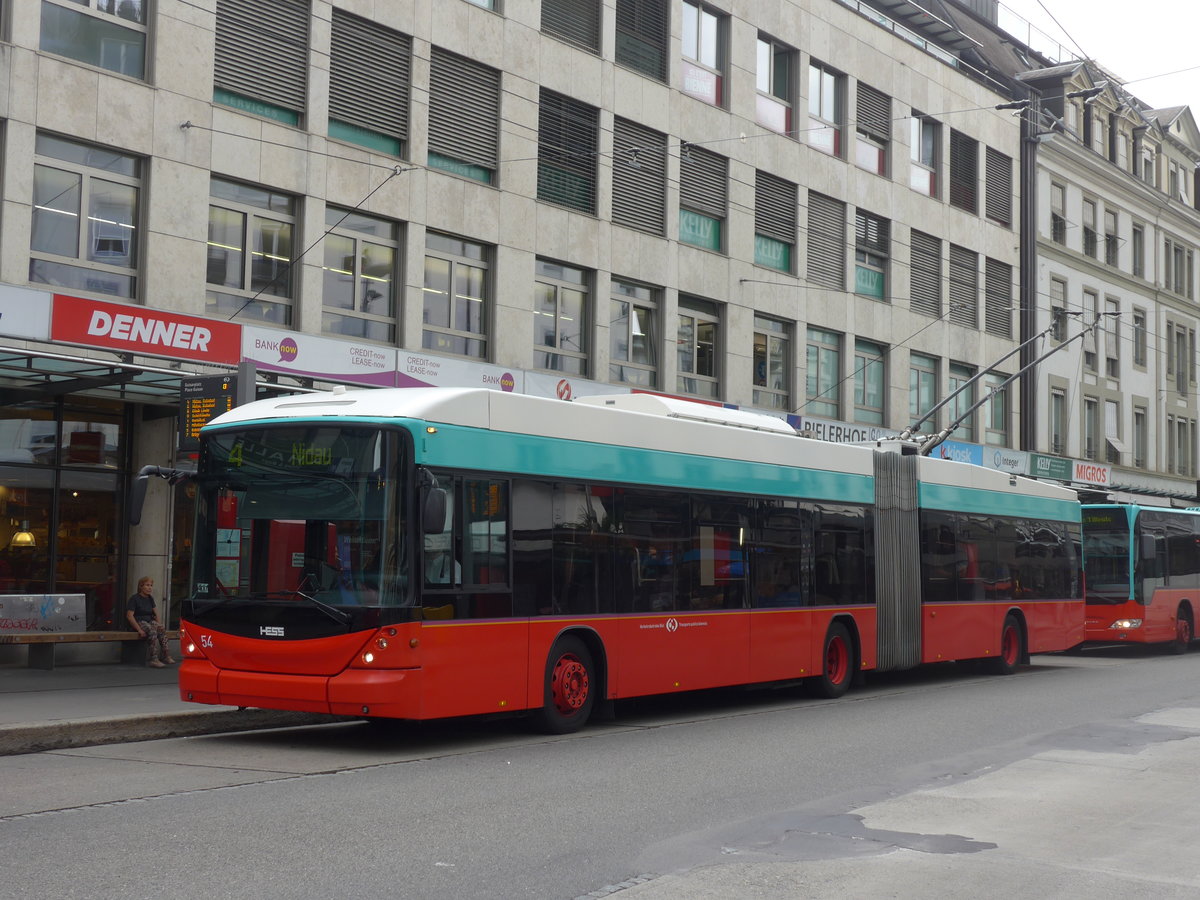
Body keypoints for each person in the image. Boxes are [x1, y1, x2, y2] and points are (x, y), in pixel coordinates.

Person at [125, 576, 174, 667]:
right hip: (138, 622)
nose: (150, 588)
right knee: (152, 631)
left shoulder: (150, 598)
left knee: (161, 629)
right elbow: (129, 616)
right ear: (141, 586)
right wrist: (139, 630)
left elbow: (156, 613)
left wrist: (159, 624)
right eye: (147, 585)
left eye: (151, 585)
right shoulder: (134, 599)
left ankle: (166, 655)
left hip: (149, 621)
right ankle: (154, 659)